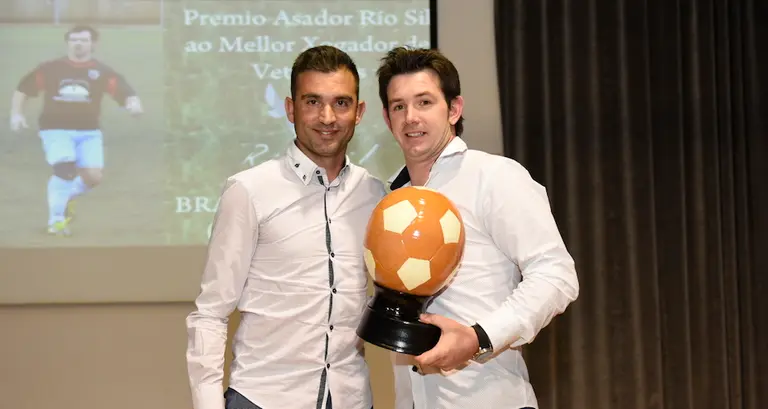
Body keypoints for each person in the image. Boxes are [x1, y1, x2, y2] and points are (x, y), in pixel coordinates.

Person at [376, 47, 580, 409]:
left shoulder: (495, 177)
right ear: (387, 117)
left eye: (424, 102)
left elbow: (556, 275)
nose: (410, 118)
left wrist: (478, 338)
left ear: (454, 109)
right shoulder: (393, 202)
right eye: (398, 106)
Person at [185, 45, 386, 409]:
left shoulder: (375, 195)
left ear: (359, 113)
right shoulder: (248, 191)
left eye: (341, 103)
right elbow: (211, 312)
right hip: (264, 397)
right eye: (312, 102)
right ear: (291, 109)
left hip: (351, 398)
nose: (327, 117)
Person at [9, 25, 143, 236]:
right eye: (74, 40)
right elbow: (23, 89)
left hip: (89, 131)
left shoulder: (102, 72)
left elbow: (125, 91)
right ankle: (56, 221)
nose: (78, 44)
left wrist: (133, 104)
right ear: (68, 43)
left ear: (93, 44)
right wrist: (16, 114)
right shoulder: (51, 68)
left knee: (93, 177)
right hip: (55, 128)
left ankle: (66, 196)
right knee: (65, 167)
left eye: (83, 40)